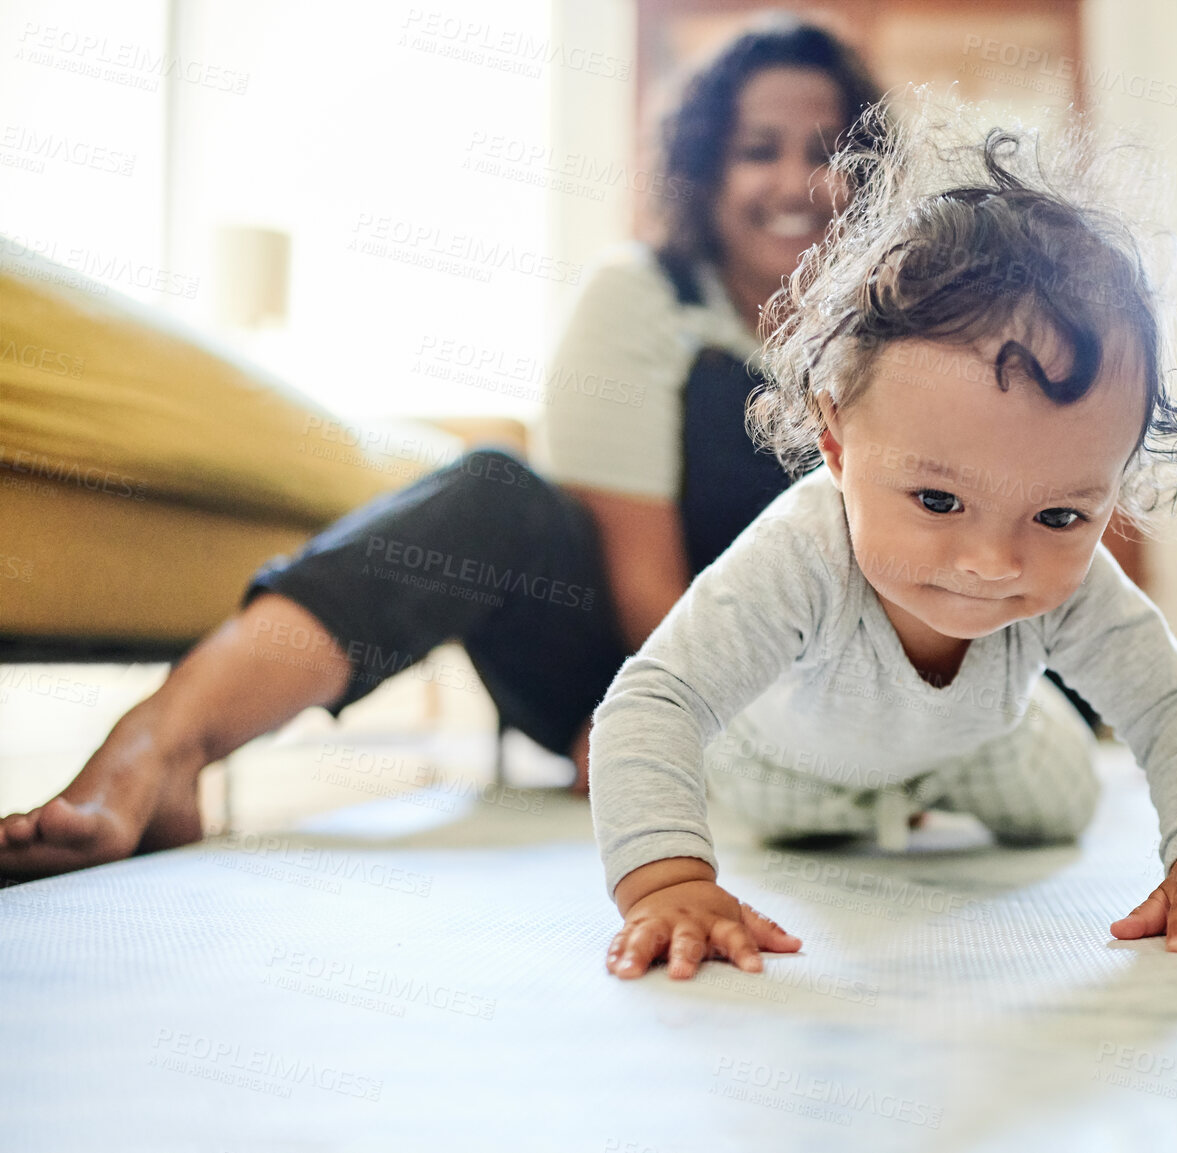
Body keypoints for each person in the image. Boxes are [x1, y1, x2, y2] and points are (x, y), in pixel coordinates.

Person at [0, 17, 883, 879]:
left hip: (820, 681)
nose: (796, 181)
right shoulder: (641, 297)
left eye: (826, 153)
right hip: (625, 655)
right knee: (495, 488)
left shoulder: (881, 332)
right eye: (757, 148)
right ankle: (152, 752)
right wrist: (663, 724)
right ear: (703, 167)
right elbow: (643, 580)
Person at [594, 110, 1177, 982]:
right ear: (835, 441)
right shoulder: (802, 550)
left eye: (1060, 515)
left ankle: (1030, 713)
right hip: (784, 772)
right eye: (937, 499)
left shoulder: (1074, 583)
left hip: (992, 749)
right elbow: (657, 701)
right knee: (754, 808)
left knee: (1064, 805)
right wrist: (667, 881)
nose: (993, 562)